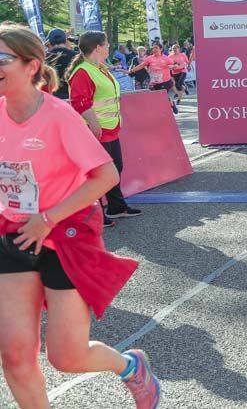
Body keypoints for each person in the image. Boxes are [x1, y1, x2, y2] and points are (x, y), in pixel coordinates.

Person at [0, 23, 161, 407]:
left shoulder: (58, 115)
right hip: (14, 233)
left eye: (1, 59)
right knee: (15, 357)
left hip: (64, 234)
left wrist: (48, 218)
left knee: (66, 356)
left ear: (31, 65)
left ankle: (130, 366)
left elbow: (107, 176)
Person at [68, 30, 143, 227]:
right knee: (99, 174)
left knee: (115, 168)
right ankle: (96, 214)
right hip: (96, 131)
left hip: (109, 129)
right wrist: (93, 124)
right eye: (107, 44)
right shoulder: (83, 71)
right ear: (98, 48)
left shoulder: (99, 68)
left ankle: (116, 206)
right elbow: (80, 102)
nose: (109, 46)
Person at [128, 43, 176, 114]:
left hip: (166, 81)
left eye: (156, 48)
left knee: (161, 95)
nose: (154, 50)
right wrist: (131, 71)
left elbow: (175, 64)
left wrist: (173, 66)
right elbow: (141, 65)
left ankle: (167, 108)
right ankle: (169, 104)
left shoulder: (166, 58)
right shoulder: (150, 58)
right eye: (153, 48)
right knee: (157, 97)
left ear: (161, 49)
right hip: (155, 82)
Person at [44, 28, 77, 101]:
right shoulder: (76, 56)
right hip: (71, 98)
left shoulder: (44, 58)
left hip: (51, 98)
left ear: (50, 41)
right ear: (65, 40)